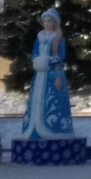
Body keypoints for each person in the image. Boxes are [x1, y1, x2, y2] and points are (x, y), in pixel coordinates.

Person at [21, 8, 74, 140]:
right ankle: (33, 127)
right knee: (37, 99)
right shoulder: (39, 39)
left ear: (55, 22)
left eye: (49, 20)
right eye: (44, 21)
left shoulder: (58, 39)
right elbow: (35, 53)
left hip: (53, 74)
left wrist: (47, 60)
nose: (46, 23)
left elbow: (61, 56)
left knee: (52, 100)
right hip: (39, 75)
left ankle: (55, 127)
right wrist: (37, 60)